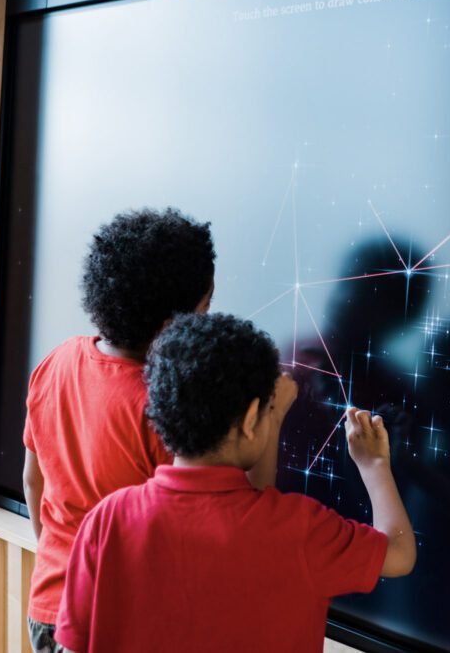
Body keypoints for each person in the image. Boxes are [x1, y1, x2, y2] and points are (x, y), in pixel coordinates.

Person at [53, 313, 416, 653]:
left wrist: (269, 416)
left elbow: (73, 645)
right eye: (269, 411)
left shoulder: (107, 519)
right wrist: (374, 465)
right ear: (250, 419)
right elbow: (399, 554)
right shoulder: (300, 529)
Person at [22, 208, 228, 652]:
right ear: (172, 325)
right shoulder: (163, 409)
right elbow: (195, 533)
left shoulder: (57, 361)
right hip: (116, 623)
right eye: (206, 307)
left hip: (48, 605)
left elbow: (33, 480)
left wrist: (56, 558)